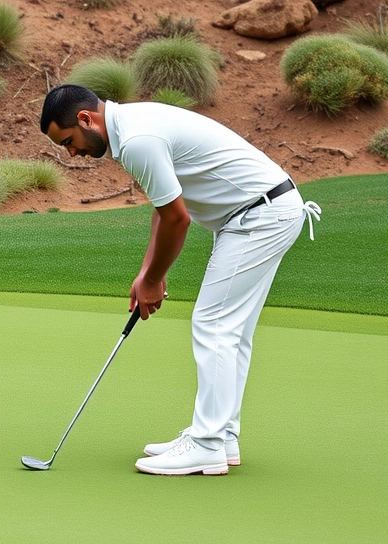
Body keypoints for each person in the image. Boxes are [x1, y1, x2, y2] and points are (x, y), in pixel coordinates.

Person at [39, 85, 321, 476]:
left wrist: (155, 279)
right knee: (231, 331)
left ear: (86, 119)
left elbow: (178, 219)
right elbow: (165, 206)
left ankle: (206, 445)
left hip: (259, 216)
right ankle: (222, 436)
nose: (72, 153)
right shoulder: (132, 126)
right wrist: (147, 272)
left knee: (215, 324)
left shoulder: (137, 140)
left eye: (69, 141)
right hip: (263, 212)